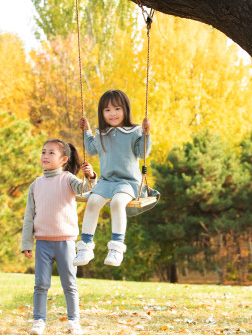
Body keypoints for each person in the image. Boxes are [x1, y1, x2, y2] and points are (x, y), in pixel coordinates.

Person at [73, 89, 159, 268]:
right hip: (106, 182)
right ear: (101, 113)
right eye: (107, 110)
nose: (112, 114)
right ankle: (86, 247)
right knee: (93, 202)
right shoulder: (102, 133)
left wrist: (146, 133)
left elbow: (142, 152)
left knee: (117, 203)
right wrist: (87, 130)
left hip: (128, 182)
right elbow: (91, 149)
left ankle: (116, 248)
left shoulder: (134, 131)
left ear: (125, 110)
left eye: (117, 109)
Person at [21, 139, 97, 335]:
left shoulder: (68, 179)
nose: (45, 156)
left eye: (51, 153)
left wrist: (91, 176)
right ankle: (38, 321)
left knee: (70, 284)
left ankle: (74, 321)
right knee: (41, 284)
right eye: (43, 152)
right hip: (43, 243)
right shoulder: (36, 184)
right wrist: (27, 243)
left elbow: (86, 189)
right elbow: (29, 216)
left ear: (63, 159)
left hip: (65, 242)